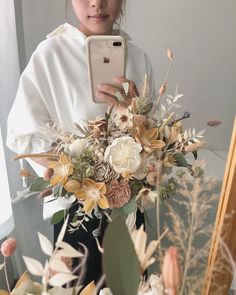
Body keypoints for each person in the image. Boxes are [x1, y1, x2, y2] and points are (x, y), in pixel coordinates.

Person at [6, 0, 155, 286]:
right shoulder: (50, 54)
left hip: (129, 209)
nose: (96, 3)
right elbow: (20, 132)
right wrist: (71, 171)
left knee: (132, 289)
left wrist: (137, 115)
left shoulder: (138, 57)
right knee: (76, 288)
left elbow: (154, 141)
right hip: (76, 211)